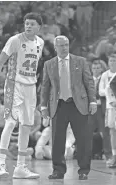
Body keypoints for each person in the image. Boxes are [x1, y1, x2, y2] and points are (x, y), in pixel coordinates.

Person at [0, 12, 44, 179]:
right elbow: (0, 63)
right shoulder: (15, 40)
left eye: (32, 24)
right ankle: (0, 165)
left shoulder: (40, 43)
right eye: (26, 23)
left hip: (31, 86)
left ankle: (20, 167)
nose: (28, 26)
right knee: (10, 122)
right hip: (14, 84)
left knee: (26, 126)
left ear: (38, 27)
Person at [41, 35, 97, 180]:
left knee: (83, 139)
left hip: (78, 104)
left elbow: (89, 82)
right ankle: (58, 170)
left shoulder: (81, 61)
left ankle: (84, 170)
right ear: (55, 47)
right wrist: (43, 106)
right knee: (57, 140)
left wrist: (92, 101)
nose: (64, 47)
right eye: (61, 45)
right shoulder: (49, 64)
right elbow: (45, 87)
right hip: (58, 105)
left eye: (66, 44)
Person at [99, 53, 116, 168]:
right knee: (112, 131)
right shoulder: (105, 75)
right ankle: (114, 156)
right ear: (108, 62)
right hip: (110, 107)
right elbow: (100, 91)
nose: (113, 63)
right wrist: (110, 93)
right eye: (111, 61)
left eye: (115, 61)